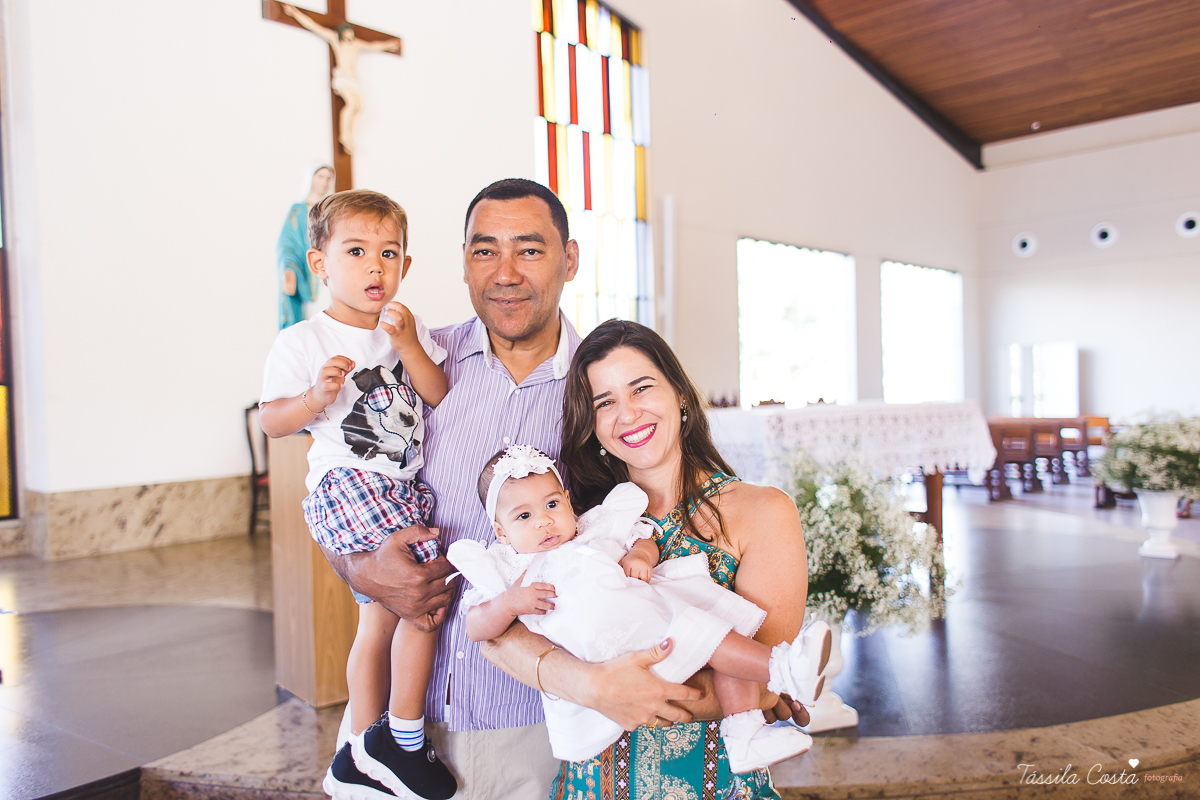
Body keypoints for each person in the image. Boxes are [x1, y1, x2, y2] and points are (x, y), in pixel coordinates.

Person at [318, 179, 808, 800]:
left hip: (531, 719)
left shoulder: (598, 396)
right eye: (484, 250)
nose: (505, 272)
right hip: (399, 718)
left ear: (569, 259)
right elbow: (341, 477)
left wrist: (752, 689)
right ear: (464, 262)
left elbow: (650, 529)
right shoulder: (411, 361)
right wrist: (359, 566)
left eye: (529, 249)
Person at [546, 318, 812, 798]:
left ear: (681, 395)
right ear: (592, 425)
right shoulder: (576, 525)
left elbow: (768, 683)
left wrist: (615, 687)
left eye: (641, 389)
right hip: (589, 785)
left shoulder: (761, 513)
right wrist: (589, 685)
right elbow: (514, 631)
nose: (626, 415)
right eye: (604, 402)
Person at [449, 445, 830, 774]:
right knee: (711, 639)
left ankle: (763, 703)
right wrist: (509, 603)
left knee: (717, 637)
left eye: (551, 504)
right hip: (607, 660)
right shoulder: (509, 570)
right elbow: (478, 627)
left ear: (567, 500)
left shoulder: (594, 530)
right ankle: (783, 671)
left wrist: (640, 556)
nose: (544, 520)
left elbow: (643, 536)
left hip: (653, 627)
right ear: (501, 532)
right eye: (523, 516)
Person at [259, 189, 455, 800]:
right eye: (357, 251)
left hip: (401, 487)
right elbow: (272, 421)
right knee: (422, 605)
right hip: (349, 484)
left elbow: (438, 392)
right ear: (320, 264)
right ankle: (398, 741)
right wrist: (314, 400)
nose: (376, 266)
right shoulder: (303, 341)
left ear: (406, 266)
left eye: (389, 253)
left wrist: (409, 348)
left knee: (379, 618)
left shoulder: (406, 328)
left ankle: (361, 750)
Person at [277, 164, 334, 329]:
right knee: (311, 321)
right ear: (311, 179)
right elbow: (287, 244)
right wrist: (289, 269)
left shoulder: (332, 211)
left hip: (330, 271)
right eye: (320, 176)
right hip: (309, 276)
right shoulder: (299, 211)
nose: (324, 182)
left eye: (328, 178)